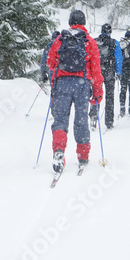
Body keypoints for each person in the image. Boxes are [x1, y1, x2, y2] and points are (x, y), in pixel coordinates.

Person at [47, 10, 104, 172]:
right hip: (82, 84)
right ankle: (83, 155)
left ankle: (58, 150)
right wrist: (98, 92)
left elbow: (51, 63)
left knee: (60, 119)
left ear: (70, 22)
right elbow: (96, 70)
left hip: (62, 83)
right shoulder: (89, 41)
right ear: (84, 22)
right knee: (81, 119)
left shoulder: (60, 39)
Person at [89, 23, 122, 130]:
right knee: (109, 96)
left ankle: (93, 116)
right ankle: (109, 121)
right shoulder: (114, 43)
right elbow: (119, 59)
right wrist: (119, 72)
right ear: (110, 32)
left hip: (97, 71)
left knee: (96, 94)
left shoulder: (94, 41)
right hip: (109, 72)